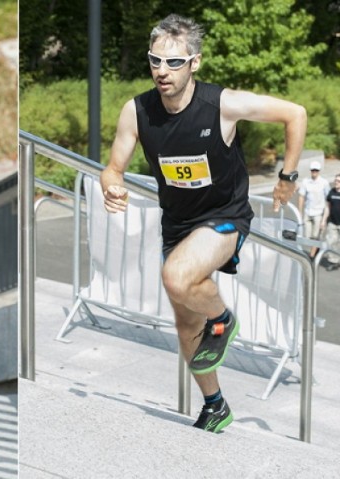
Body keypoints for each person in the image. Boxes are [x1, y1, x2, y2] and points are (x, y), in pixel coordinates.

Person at [101, 14, 307, 433]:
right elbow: (113, 168)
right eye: (155, 61)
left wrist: (287, 177)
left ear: (195, 63)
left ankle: (224, 320)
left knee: (176, 277)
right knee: (185, 324)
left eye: (174, 63)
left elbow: (296, 113)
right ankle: (214, 404)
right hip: (178, 223)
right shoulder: (136, 110)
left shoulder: (222, 104)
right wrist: (112, 186)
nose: (162, 71)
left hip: (224, 216)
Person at [298, 161, 330, 259]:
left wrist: (325, 217)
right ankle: (316, 249)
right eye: (313, 170)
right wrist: (300, 212)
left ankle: (311, 256)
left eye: (316, 170)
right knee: (307, 236)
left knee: (316, 236)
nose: (314, 172)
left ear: (319, 171)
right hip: (308, 211)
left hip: (319, 213)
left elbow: (328, 199)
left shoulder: (324, 183)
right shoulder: (305, 181)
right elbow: (301, 197)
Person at [321, 174, 340, 271]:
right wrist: (324, 220)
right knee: (332, 242)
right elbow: (327, 207)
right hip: (332, 222)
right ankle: (334, 261)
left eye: (338, 181)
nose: (336, 182)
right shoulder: (331, 192)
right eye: (335, 180)